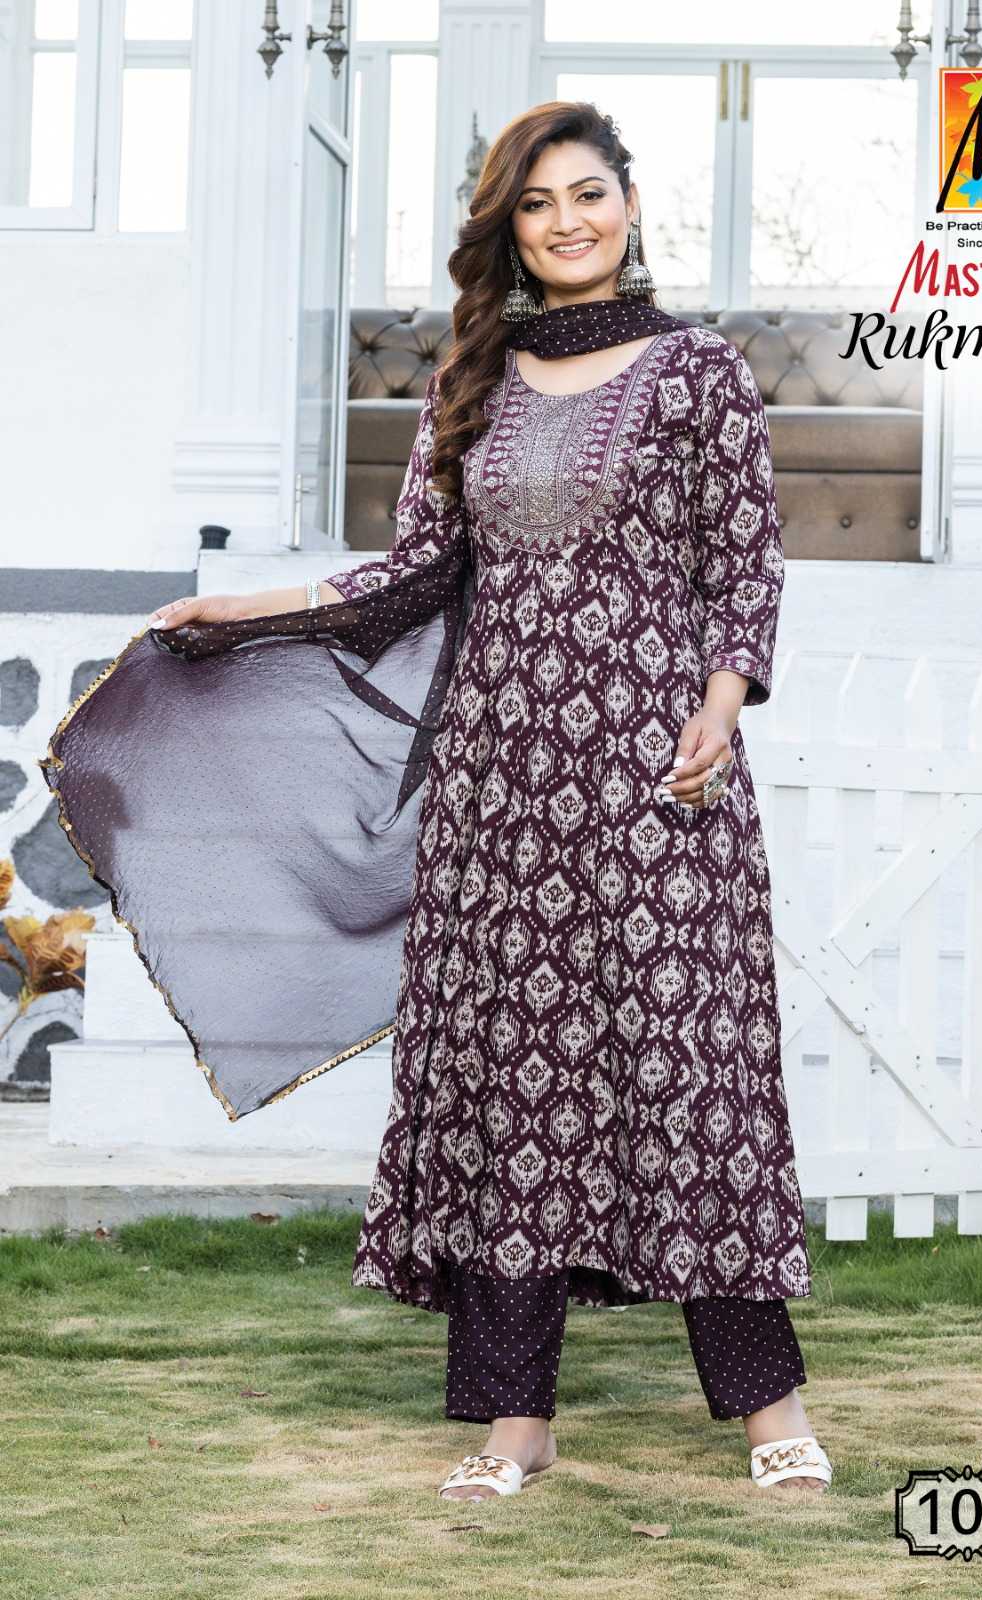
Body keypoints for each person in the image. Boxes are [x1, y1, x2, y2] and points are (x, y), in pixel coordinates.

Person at [144, 102, 832, 1502]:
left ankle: (771, 1412)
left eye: (588, 193)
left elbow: (743, 566)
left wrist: (716, 708)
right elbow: (410, 574)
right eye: (537, 203)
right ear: (508, 230)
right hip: (500, 791)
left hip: (657, 780)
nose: (567, 221)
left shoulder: (700, 371)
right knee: (513, 1086)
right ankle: (517, 1423)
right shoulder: (474, 379)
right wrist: (249, 606)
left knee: (691, 1075)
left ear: (628, 204)